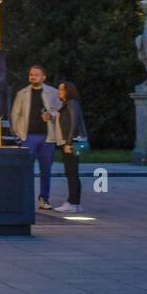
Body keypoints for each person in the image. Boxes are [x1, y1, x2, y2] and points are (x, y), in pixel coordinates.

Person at [10, 64, 62, 210]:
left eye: (36, 74)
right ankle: (24, 199)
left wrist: (51, 115)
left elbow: (60, 112)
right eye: (31, 74)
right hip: (28, 137)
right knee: (25, 169)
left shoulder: (53, 92)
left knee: (46, 170)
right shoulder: (22, 94)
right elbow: (15, 115)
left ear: (43, 77)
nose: (33, 76)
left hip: (47, 137)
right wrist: (19, 136)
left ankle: (44, 199)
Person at [55, 81, 86, 213]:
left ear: (69, 91)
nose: (59, 91)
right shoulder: (67, 104)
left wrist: (68, 143)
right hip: (73, 141)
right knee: (72, 172)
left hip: (72, 142)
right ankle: (75, 202)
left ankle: (72, 202)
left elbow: (74, 123)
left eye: (62, 89)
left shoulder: (71, 104)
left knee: (71, 172)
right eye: (59, 89)